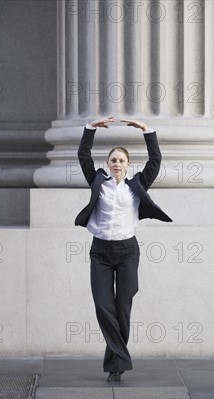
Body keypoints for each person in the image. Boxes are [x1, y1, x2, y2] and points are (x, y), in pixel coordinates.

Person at [74, 116, 172, 382]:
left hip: (128, 252)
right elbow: (83, 154)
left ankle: (115, 363)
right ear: (108, 164)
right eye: (113, 160)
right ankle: (120, 359)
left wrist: (146, 131)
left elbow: (155, 161)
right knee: (103, 307)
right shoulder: (97, 181)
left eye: (121, 161)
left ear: (128, 166)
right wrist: (91, 128)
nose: (117, 164)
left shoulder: (137, 184)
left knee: (123, 307)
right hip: (101, 252)